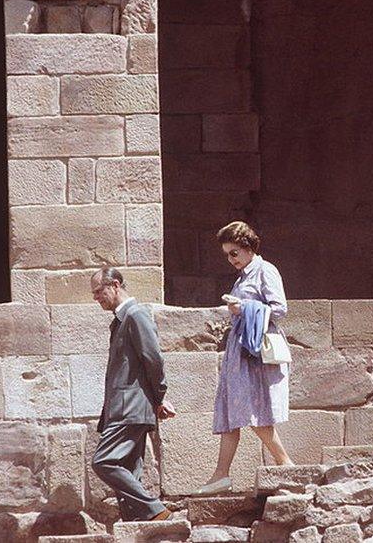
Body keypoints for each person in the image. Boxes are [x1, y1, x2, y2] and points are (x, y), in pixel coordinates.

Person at [195, 221, 294, 495]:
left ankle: (285, 462)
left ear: (248, 248)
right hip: (239, 353)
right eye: (227, 254)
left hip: (255, 353)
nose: (231, 259)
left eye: (234, 253)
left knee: (252, 411)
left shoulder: (265, 270)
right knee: (231, 413)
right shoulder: (242, 276)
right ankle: (221, 474)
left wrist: (245, 307)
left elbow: (280, 308)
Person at [89, 267, 177, 522]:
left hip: (130, 409)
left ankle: (155, 510)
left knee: (103, 462)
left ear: (115, 285)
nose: (96, 298)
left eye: (98, 291)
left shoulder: (136, 315)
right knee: (128, 473)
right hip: (124, 409)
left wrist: (160, 397)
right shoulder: (120, 320)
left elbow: (153, 358)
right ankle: (137, 525)